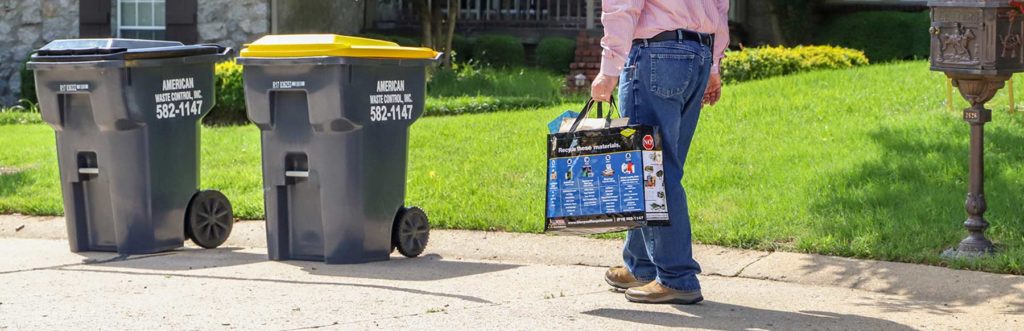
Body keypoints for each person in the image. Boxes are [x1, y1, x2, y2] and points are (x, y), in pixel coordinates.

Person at [592, 0, 729, 305]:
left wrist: (609, 69)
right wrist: (714, 64)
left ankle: (676, 278)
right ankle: (641, 265)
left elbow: (622, 6)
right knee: (660, 170)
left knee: (653, 174)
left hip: (656, 55)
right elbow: (720, 8)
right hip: (697, 55)